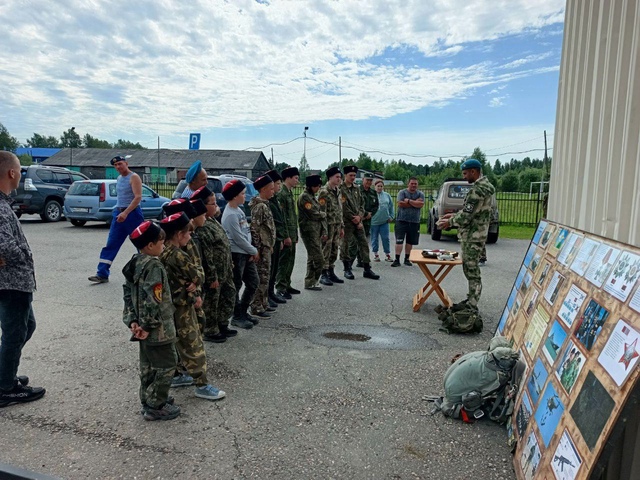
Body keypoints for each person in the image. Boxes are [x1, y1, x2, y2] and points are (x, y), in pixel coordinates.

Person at [159, 213, 226, 401]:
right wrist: (195, 283)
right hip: (182, 306)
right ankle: (202, 384)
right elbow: (197, 275)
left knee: (178, 341)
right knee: (193, 343)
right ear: (180, 234)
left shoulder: (162, 252)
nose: (190, 237)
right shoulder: (179, 255)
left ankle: (178, 374)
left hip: (171, 305)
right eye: (188, 234)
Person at [122, 220, 181, 421]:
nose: (163, 246)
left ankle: (148, 398)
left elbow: (128, 294)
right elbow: (153, 299)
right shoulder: (154, 265)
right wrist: (147, 325)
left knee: (148, 366)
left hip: (142, 327)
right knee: (167, 364)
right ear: (150, 245)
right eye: (161, 242)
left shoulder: (134, 262)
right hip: (158, 328)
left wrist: (133, 321)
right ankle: (156, 404)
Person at [0, 151, 46, 408]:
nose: (20, 175)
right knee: (15, 334)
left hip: (16, 281)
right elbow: (5, 246)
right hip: (11, 282)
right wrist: (21, 258)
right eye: (19, 170)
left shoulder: (4, 203)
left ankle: (4, 375)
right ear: (12, 173)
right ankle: (5, 388)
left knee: (25, 328)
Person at [437, 159, 495, 309]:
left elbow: (467, 216)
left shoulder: (477, 190)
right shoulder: (486, 187)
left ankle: (472, 304)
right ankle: (471, 300)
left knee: (471, 271)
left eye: (465, 173)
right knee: (472, 269)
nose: (464, 177)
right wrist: (452, 216)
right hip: (478, 234)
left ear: (473, 172)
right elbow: (473, 212)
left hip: (472, 236)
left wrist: (448, 223)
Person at [191, 186, 237, 343]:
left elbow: (223, 244)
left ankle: (222, 322)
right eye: (212, 203)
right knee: (212, 301)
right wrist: (212, 277)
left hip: (225, 269)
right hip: (215, 272)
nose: (216, 205)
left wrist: (229, 263)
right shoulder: (202, 227)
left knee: (229, 294)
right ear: (203, 206)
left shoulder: (211, 221)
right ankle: (210, 329)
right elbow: (207, 255)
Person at [89, 155, 144, 283]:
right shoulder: (119, 178)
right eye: (115, 165)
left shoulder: (134, 177)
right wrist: (118, 211)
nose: (118, 167)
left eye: (120, 164)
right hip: (119, 214)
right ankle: (102, 273)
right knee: (111, 243)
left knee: (140, 243)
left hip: (132, 214)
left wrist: (126, 213)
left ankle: (145, 271)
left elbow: (137, 197)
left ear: (126, 163)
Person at [220, 180, 259, 329]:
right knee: (235, 286)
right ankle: (236, 316)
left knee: (253, 282)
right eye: (242, 194)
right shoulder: (230, 214)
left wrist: (251, 249)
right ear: (235, 196)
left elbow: (246, 233)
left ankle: (243, 311)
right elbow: (238, 238)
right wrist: (253, 251)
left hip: (245, 252)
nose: (245, 196)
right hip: (237, 254)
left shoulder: (239, 210)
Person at [339, 165, 380, 280]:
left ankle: (367, 268)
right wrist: (354, 217)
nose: (352, 177)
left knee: (364, 244)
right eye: (350, 175)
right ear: (345, 176)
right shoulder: (340, 189)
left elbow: (361, 205)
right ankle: (347, 269)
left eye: (354, 175)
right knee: (345, 245)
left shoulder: (356, 189)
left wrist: (360, 217)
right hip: (347, 222)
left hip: (358, 221)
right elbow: (343, 207)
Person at [249, 175, 276, 318]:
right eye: (271, 189)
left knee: (266, 276)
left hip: (267, 246)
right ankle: (256, 306)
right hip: (262, 248)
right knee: (262, 276)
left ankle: (264, 303)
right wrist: (257, 248)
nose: (273, 191)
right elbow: (255, 229)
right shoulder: (259, 207)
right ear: (263, 189)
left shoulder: (265, 204)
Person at [298, 174, 328, 290]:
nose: (318, 188)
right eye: (317, 186)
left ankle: (310, 282)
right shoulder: (305, 197)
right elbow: (314, 213)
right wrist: (324, 214)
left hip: (315, 231)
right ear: (311, 186)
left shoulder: (312, 196)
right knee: (319, 259)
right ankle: (314, 280)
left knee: (312, 258)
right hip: (309, 232)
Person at [275, 166, 301, 299]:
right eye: (295, 178)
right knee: (284, 261)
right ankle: (280, 287)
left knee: (290, 261)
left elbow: (292, 216)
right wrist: (285, 236)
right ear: (288, 178)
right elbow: (282, 217)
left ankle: (287, 284)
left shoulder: (289, 192)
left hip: (292, 233)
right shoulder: (282, 194)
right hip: (287, 235)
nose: (297, 180)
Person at [318, 166, 344, 285]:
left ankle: (331, 271)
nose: (339, 179)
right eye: (337, 177)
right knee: (326, 250)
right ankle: (323, 273)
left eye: (340, 177)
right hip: (327, 225)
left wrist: (342, 226)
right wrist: (323, 230)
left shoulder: (338, 191)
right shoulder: (324, 191)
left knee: (334, 249)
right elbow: (322, 212)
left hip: (337, 225)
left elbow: (340, 209)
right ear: (330, 178)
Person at [266, 169, 288, 305]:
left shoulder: (274, 200)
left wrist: (280, 238)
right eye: (278, 183)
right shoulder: (268, 201)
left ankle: (271, 293)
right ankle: (266, 295)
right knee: (268, 270)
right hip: (271, 240)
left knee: (274, 269)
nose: (279, 186)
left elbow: (280, 220)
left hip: (277, 239)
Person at [392, 177, 425, 267]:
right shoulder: (402, 192)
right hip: (401, 220)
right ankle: (397, 259)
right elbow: (400, 204)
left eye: (415, 184)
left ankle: (407, 259)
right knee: (399, 241)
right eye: (412, 183)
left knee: (410, 242)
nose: (414, 185)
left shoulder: (420, 194)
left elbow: (421, 205)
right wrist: (415, 203)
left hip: (414, 221)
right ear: (408, 184)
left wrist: (409, 201)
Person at [350, 173, 378, 267]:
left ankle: (361, 260)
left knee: (364, 241)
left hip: (367, 221)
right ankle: (349, 263)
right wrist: (364, 214)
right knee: (354, 242)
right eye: (367, 180)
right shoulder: (357, 191)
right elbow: (356, 205)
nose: (369, 182)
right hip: (357, 219)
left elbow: (376, 206)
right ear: (363, 180)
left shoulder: (373, 192)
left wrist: (370, 215)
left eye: (370, 180)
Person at [370, 179, 394, 262]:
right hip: (374, 222)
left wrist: (391, 216)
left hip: (384, 221)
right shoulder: (371, 195)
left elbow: (391, 206)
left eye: (381, 186)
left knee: (385, 238)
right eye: (378, 186)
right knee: (374, 238)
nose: (379, 188)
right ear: (374, 186)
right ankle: (376, 254)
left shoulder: (387, 195)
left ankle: (387, 254)